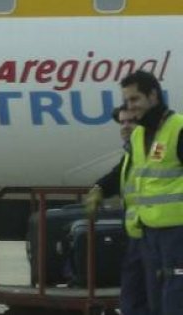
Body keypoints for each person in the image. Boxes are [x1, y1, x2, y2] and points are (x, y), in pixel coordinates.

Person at [120, 70, 183, 314]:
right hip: (148, 232)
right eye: (127, 101)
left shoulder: (178, 128)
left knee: (175, 299)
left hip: (177, 233)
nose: (131, 107)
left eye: (135, 99)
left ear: (153, 95)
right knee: (154, 300)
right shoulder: (138, 136)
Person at [85, 104, 149, 315]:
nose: (125, 127)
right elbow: (117, 175)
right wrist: (99, 188)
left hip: (158, 235)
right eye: (122, 122)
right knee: (133, 300)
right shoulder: (132, 154)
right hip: (137, 236)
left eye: (131, 121)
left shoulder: (153, 151)